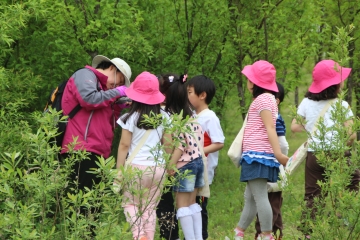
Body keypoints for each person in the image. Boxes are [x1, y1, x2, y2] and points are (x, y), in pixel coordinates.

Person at [291, 60, 360, 239]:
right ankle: (345, 215)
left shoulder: (306, 102)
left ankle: (308, 233)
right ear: (336, 85)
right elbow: (352, 135)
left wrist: (312, 126)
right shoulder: (341, 105)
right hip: (338, 152)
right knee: (354, 181)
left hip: (315, 154)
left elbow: (294, 127)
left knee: (312, 195)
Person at [60, 55, 131, 208]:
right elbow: (88, 99)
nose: (115, 86)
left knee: (93, 208)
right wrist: (117, 92)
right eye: (118, 81)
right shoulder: (85, 74)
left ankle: (88, 233)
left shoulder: (106, 94)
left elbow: (109, 125)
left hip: (99, 154)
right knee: (81, 206)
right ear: (112, 68)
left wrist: (118, 107)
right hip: (80, 150)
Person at [233, 60, 288, 240]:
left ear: (255, 82)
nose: (247, 81)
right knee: (250, 198)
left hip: (257, 156)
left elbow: (270, 127)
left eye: (249, 78)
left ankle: (266, 235)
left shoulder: (264, 99)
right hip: (257, 156)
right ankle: (238, 233)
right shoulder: (267, 99)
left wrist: (279, 154)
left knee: (260, 197)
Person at [117, 71, 171, 240]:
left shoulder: (130, 117)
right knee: (150, 207)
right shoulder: (165, 116)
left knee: (130, 203)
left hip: (135, 168)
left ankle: (139, 235)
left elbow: (124, 145)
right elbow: (168, 144)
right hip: (158, 168)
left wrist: (119, 171)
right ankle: (148, 236)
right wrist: (169, 166)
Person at [165, 74, 205, 240]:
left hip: (184, 165)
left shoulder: (174, 118)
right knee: (193, 204)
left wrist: (170, 167)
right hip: (198, 162)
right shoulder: (193, 115)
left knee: (182, 206)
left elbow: (179, 144)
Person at [187, 75, 225, 240]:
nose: (187, 96)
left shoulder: (210, 117)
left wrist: (199, 151)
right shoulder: (193, 116)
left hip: (203, 171)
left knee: (200, 207)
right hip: (192, 169)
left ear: (202, 95)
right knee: (191, 205)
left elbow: (219, 142)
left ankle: (201, 235)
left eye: (190, 92)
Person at [254, 82, 289, 240]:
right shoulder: (273, 117)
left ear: (277, 100)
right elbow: (282, 145)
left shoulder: (271, 117)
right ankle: (268, 234)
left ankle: (266, 234)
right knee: (272, 202)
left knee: (269, 202)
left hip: (267, 165)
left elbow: (281, 144)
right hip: (272, 166)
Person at [156, 74, 181, 240]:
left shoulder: (160, 113)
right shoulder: (185, 111)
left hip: (164, 164)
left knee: (163, 203)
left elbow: (168, 143)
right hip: (181, 164)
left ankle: (170, 236)